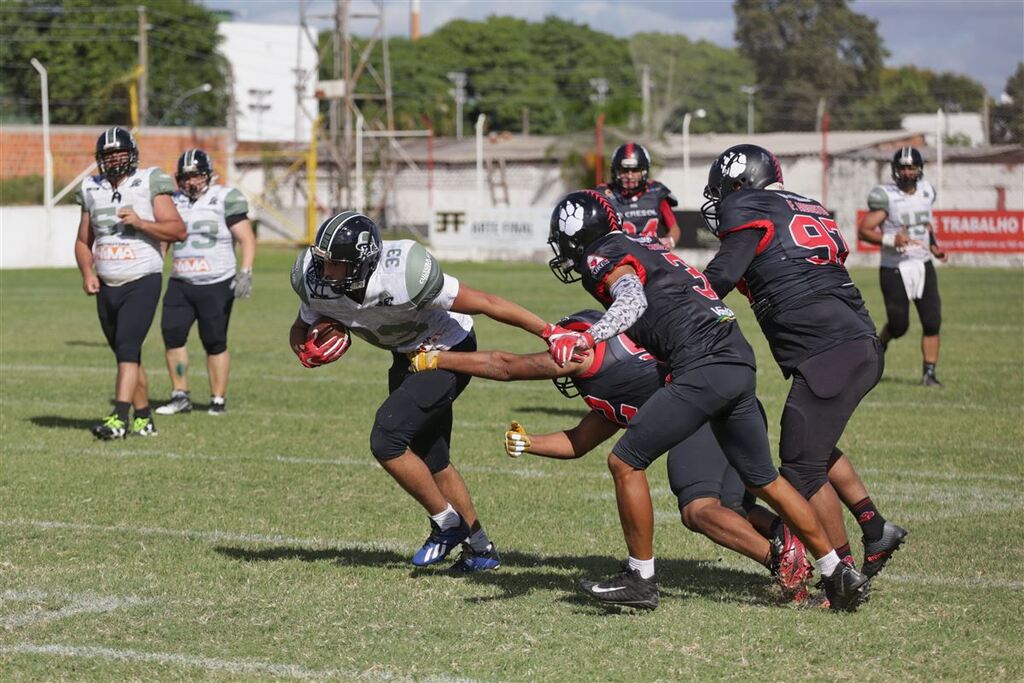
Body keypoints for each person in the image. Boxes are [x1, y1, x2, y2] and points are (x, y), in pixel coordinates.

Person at [544, 189, 868, 611]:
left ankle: (640, 578)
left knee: (624, 462)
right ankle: (837, 572)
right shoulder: (644, 243)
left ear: (576, 235)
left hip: (702, 364)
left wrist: (589, 334)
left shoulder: (601, 254)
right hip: (736, 357)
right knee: (764, 478)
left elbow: (632, 299)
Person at [408, 310, 814, 602]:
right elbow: (579, 440)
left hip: (706, 415)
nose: (560, 358)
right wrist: (531, 442)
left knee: (699, 510)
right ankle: (791, 539)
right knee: (732, 509)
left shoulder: (592, 356)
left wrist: (436, 358)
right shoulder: (619, 375)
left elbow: (506, 365)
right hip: (731, 403)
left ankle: (783, 562)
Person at [289, 211, 553, 573]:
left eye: (335, 264)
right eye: (322, 262)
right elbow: (301, 326)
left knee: (387, 438)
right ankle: (480, 548)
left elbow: (487, 303)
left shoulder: (405, 275)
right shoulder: (314, 281)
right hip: (405, 356)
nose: (325, 273)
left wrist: (549, 332)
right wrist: (303, 350)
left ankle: (446, 523)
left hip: (447, 350)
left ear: (364, 262)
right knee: (432, 456)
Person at [700, 143, 908, 581]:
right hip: (857, 340)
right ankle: (875, 527)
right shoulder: (804, 206)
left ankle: (843, 570)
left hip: (826, 350)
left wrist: (679, 302)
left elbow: (722, 273)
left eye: (726, 192)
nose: (722, 203)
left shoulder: (749, 207)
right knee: (812, 445)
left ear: (743, 185)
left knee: (799, 467)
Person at [74, 127, 187, 440]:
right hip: (107, 283)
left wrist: (141, 222)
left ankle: (118, 419)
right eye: (109, 155)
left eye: (120, 153)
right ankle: (144, 418)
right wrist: (87, 273)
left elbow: (177, 230)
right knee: (128, 356)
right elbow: (84, 241)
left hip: (142, 278)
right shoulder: (91, 188)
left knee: (127, 347)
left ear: (132, 153)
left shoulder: (149, 180)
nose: (114, 159)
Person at [155, 149, 256, 416]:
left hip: (216, 281)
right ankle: (180, 395)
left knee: (214, 341)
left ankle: (217, 399)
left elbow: (246, 237)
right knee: (172, 336)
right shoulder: (173, 201)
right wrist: (154, 268)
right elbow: (164, 238)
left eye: (196, 175)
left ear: (208, 175)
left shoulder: (224, 197)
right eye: (186, 177)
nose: (191, 182)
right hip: (180, 281)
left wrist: (245, 271)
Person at [857, 146, 947, 387]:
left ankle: (929, 374)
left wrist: (935, 246)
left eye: (911, 167)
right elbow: (863, 230)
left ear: (919, 169)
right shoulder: (886, 196)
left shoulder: (927, 191)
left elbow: (925, 221)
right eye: (903, 167)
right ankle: (881, 344)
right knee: (899, 325)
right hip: (894, 266)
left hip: (922, 263)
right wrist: (891, 239)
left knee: (932, 321)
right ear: (895, 170)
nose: (907, 172)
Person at [597, 142, 681, 250]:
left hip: (652, 254)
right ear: (616, 170)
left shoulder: (656, 191)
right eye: (624, 170)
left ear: (644, 171)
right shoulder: (603, 194)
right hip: (619, 256)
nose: (630, 175)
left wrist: (670, 241)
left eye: (635, 170)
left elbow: (673, 228)